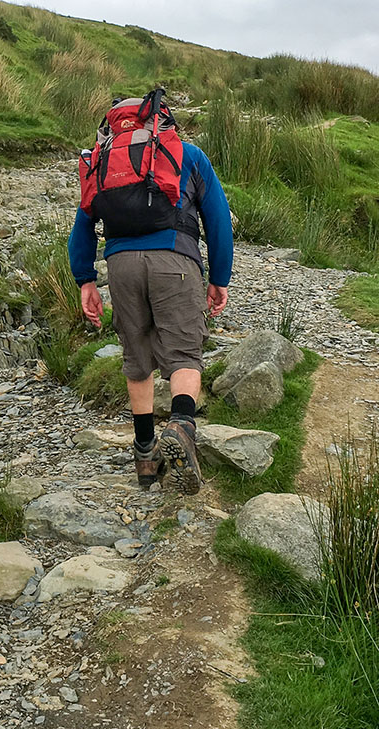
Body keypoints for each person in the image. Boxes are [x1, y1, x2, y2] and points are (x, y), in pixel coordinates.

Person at [68, 94, 234, 495]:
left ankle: (145, 455)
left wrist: (86, 281)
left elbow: (82, 226)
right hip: (174, 262)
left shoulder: (104, 160)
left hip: (121, 266)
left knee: (136, 355)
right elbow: (218, 221)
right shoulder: (187, 154)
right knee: (183, 353)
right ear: (161, 120)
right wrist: (219, 278)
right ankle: (180, 426)